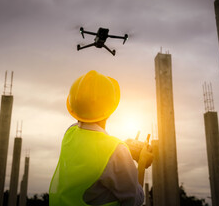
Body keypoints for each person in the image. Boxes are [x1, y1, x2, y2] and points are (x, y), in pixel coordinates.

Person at [49, 70, 153, 206]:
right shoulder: (116, 151)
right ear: (110, 109)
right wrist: (142, 163)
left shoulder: (69, 133)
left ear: (74, 108)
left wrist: (123, 148)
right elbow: (135, 200)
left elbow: (93, 147)